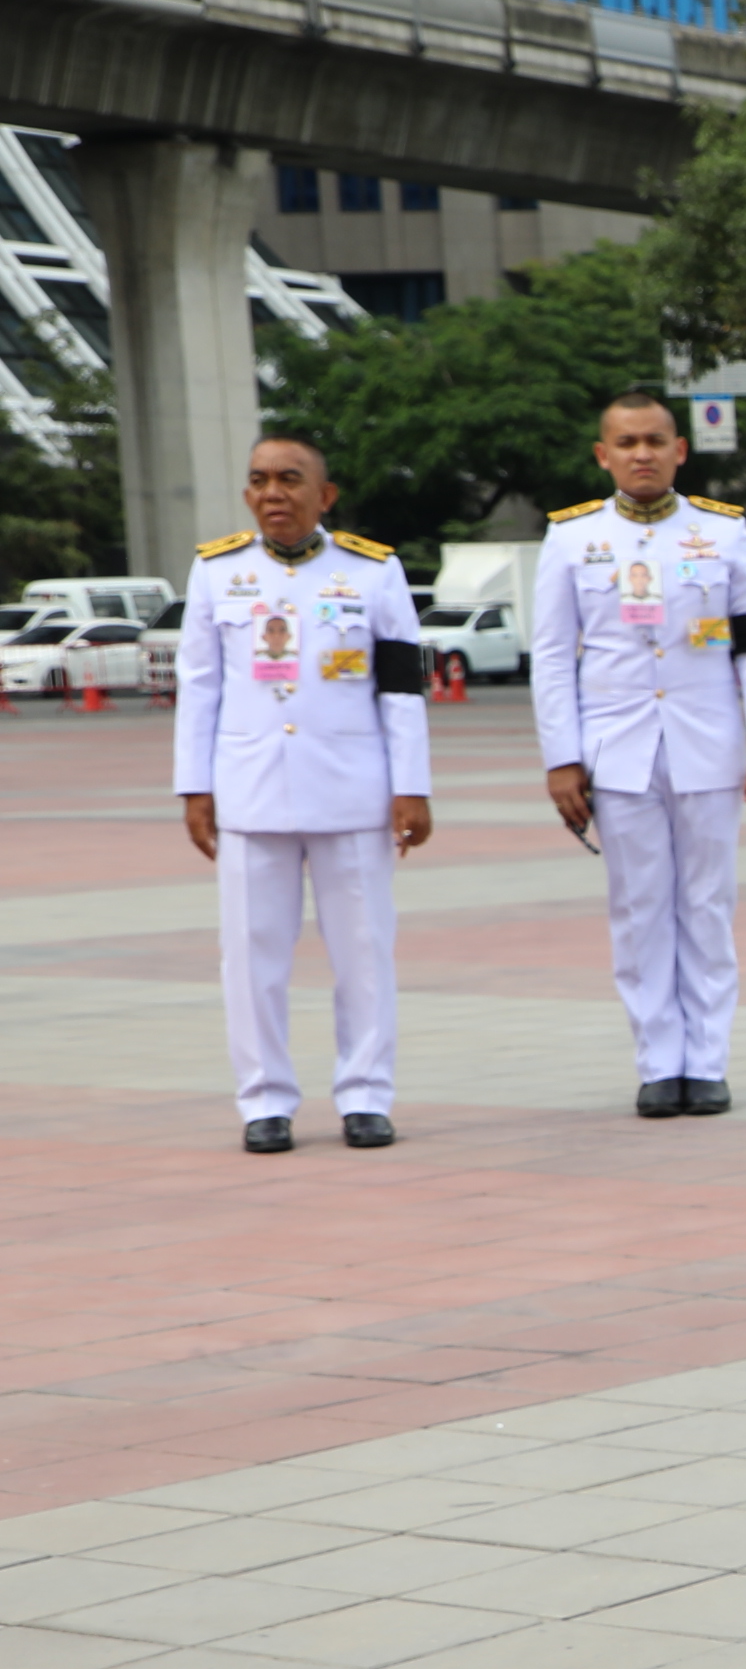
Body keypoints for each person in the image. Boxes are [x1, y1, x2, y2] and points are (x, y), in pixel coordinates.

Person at [172, 432, 431, 1155]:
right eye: (259, 480)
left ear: (326, 495)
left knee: (364, 950)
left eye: (290, 479)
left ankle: (366, 1094)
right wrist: (194, 786)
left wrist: (411, 786)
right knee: (251, 954)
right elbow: (199, 689)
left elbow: (403, 691)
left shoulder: (373, 572)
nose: (272, 493)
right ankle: (263, 1101)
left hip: (353, 788)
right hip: (250, 788)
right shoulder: (217, 572)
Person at [532, 392, 746, 1118]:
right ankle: (657, 1062)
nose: (641, 453)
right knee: (640, 906)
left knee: (706, 903)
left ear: (680, 449)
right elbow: (552, 659)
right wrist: (562, 758)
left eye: (654, 440)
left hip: (707, 743)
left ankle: (707, 1061)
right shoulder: (572, 540)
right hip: (615, 750)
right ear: (602, 455)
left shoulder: (724, 533)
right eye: (625, 442)